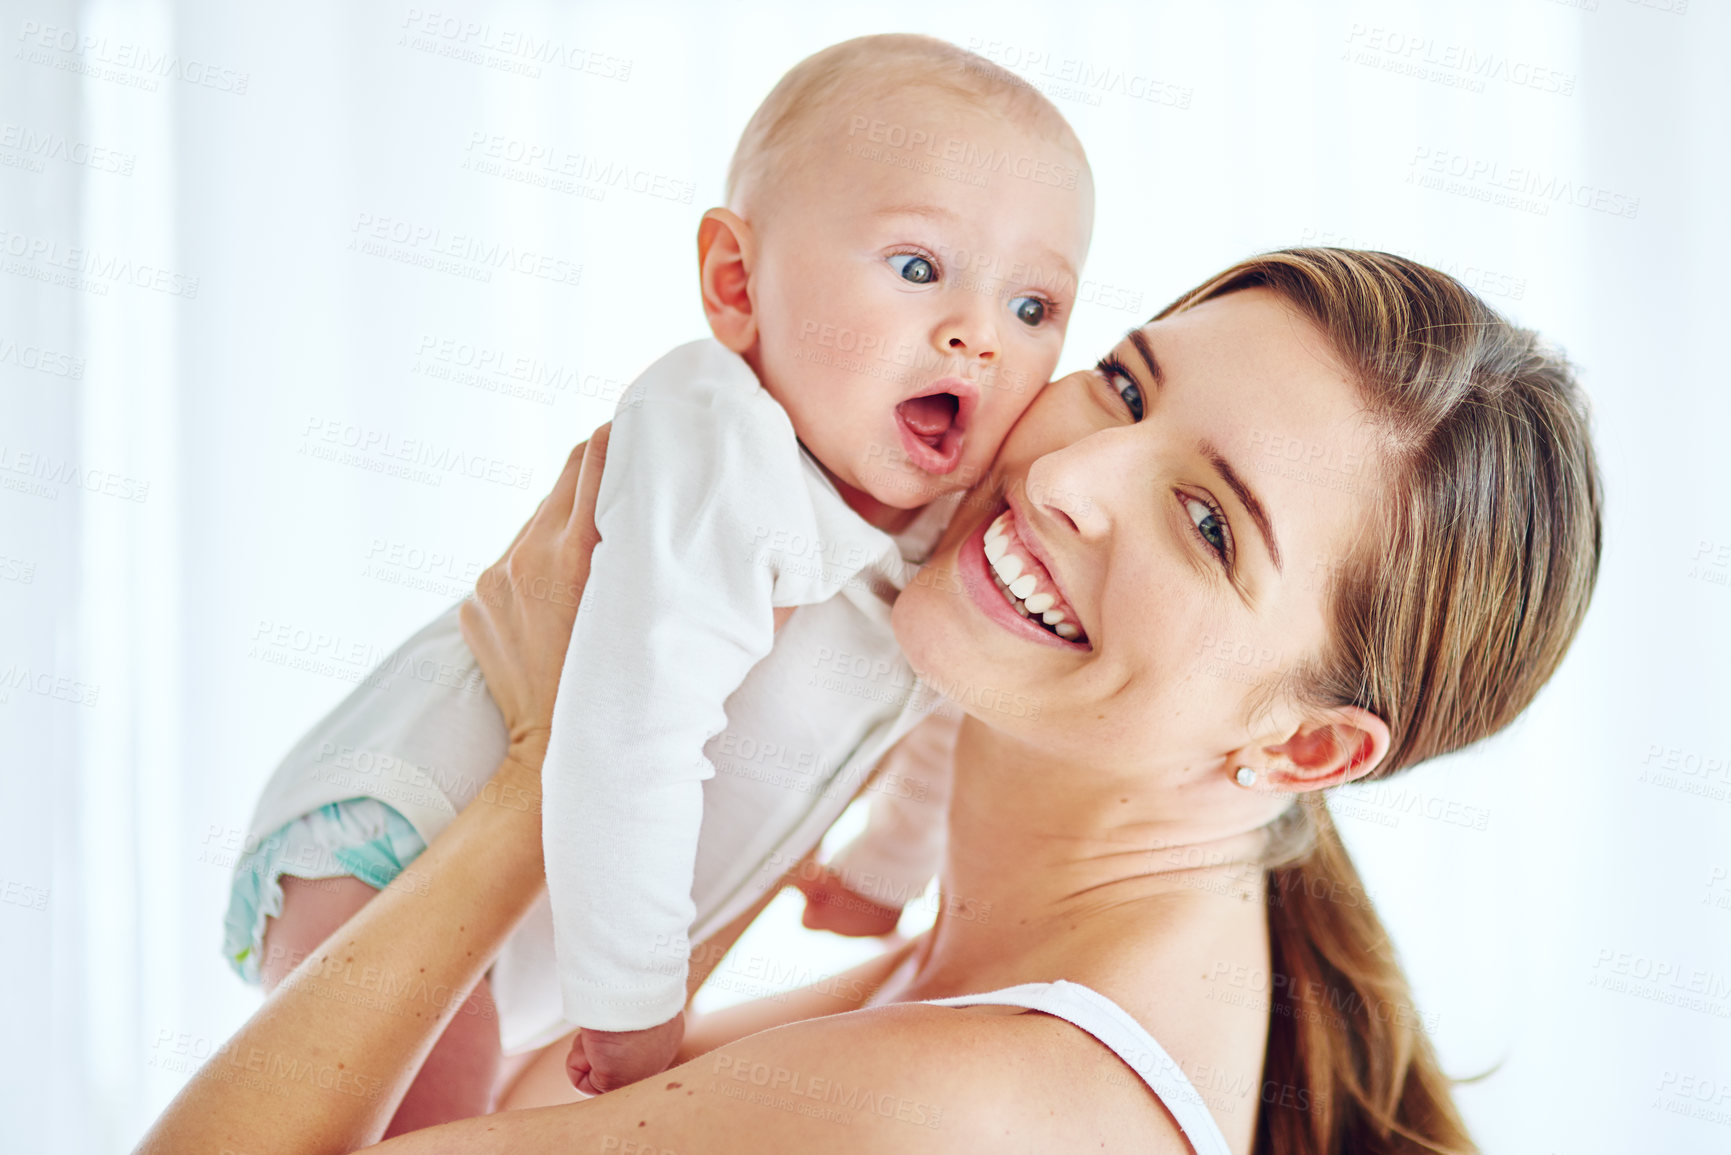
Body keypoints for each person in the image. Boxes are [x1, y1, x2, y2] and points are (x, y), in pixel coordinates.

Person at [144, 248, 1602, 1154]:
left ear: (1302, 745)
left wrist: (549, 769)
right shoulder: (980, 979)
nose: (1069, 475)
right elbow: (511, 1097)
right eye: (1122, 383)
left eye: (1209, 523)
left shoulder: (962, 1109)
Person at [221, 31, 1094, 1122]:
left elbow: (939, 694)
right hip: (400, 848)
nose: (978, 337)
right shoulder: (719, 444)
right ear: (738, 284)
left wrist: (885, 870)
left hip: (538, 920)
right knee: (426, 1127)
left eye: (1033, 309)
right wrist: (635, 1006)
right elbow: (634, 727)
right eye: (918, 269)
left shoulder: (945, 523)